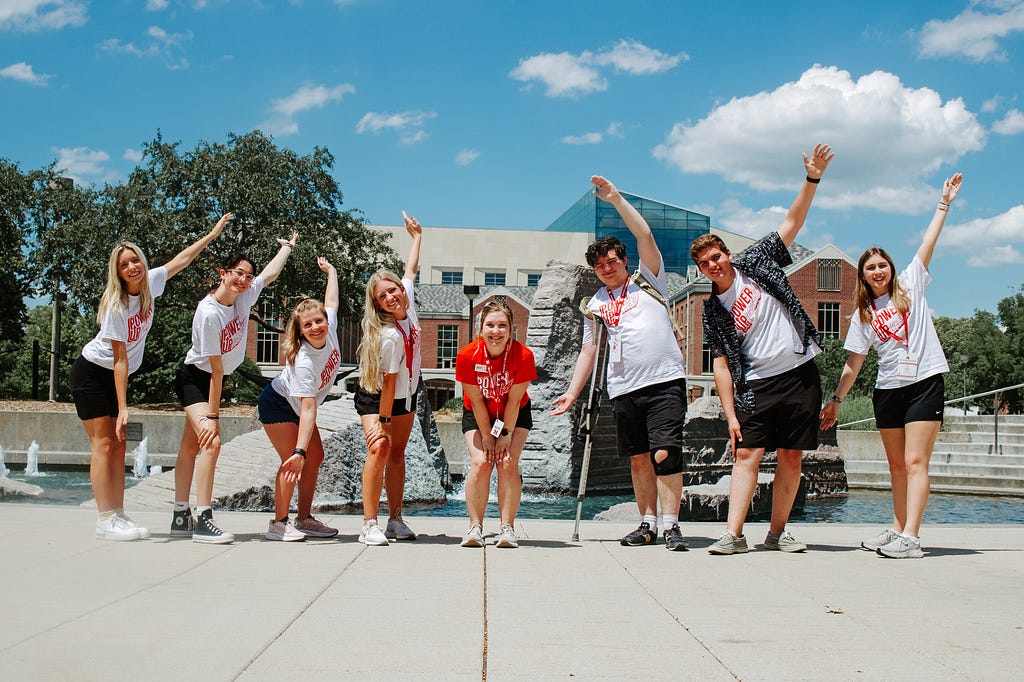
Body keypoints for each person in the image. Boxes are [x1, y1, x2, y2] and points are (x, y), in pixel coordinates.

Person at [693, 144, 834, 556]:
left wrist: (812, 178)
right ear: (701, 270)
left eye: (716, 257)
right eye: (704, 264)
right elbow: (719, 363)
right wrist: (730, 413)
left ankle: (777, 533)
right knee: (747, 454)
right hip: (757, 384)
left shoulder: (757, 262)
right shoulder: (712, 309)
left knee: (792, 456)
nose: (713, 266)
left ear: (727, 254)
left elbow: (792, 222)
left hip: (799, 374)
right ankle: (732, 535)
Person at [820, 173, 963, 559]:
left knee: (916, 462)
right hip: (888, 390)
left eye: (883, 265)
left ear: (892, 269)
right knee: (896, 467)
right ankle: (899, 529)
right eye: (871, 268)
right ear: (863, 276)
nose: (878, 271)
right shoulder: (863, 314)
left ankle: (912, 539)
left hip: (924, 382)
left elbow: (929, 240)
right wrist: (835, 399)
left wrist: (943, 203)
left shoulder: (913, 283)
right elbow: (854, 363)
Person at [551, 176, 689, 551]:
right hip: (624, 387)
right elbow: (590, 350)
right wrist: (571, 393)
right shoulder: (595, 304)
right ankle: (647, 523)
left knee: (666, 451)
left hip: (664, 380)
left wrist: (615, 199)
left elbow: (644, 233)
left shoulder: (649, 280)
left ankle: (672, 524)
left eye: (612, 261)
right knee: (639, 457)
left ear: (624, 261)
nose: (607, 268)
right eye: (600, 266)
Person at [70, 213, 229, 541]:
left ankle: (118, 515)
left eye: (135, 261)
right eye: (124, 264)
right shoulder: (116, 304)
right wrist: (124, 406)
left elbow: (182, 259)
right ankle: (104, 517)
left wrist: (212, 233)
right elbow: (119, 359)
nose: (132, 267)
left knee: (119, 445)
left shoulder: (150, 284)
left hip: (114, 375)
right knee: (103, 443)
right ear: (118, 272)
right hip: (94, 373)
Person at [171, 231, 298, 544]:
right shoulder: (208, 312)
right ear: (222, 274)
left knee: (190, 447)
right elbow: (215, 368)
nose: (244, 280)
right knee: (210, 443)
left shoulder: (244, 296)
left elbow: (270, 274)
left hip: (214, 379)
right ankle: (203, 518)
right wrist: (213, 416)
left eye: (247, 275)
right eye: (237, 273)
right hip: (196, 379)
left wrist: (286, 247)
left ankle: (179, 515)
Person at [258, 256, 342, 542]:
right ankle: (279, 523)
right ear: (301, 330)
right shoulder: (304, 361)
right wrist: (299, 451)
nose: (317, 326)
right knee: (293, 461)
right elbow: (307, 410)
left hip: (298, 406)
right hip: (278, 404)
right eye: (309, 325)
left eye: (319, 321)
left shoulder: (329, 327)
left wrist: (331, 271)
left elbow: (331, 300)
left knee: (316, 456)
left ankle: (304, 518)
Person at [354, 211, 423, 546]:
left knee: (398, 453)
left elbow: (410, 270)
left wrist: (417, 237)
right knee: (380, 448)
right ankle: (369, 523)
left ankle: (395, 519)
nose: (392, 296)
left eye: (393, 290)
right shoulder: (389, 335)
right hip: (378, 394)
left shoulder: (407, 306)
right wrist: (382, 420)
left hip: (407, 394)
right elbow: (389, 381)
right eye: (383, 296)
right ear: (378, 305)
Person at [455, 300, 537, 548]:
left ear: (511, 330)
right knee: (481, 462)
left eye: (502, 325)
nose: (496, 331)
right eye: (490, 325)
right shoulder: (467, 356)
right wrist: (488, 437)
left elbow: (513, 402)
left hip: (514, 413)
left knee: (508, 462)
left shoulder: (523, 356)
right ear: (481, 329)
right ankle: (474, 527)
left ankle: (507, 528)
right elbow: (477, 400)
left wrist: (506, 435)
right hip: (479, 413)